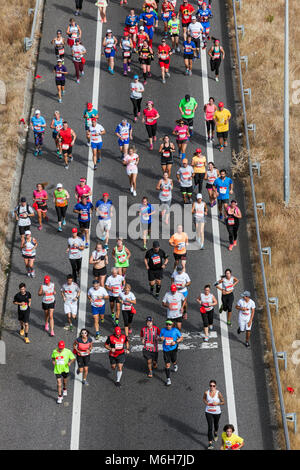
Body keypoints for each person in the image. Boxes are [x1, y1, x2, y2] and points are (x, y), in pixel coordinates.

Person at [160, 319, 183, 386]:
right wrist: (160, 339)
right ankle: (168, 379)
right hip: (166, 350)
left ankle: (175, 365)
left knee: (174, 360)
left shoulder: (175, 330)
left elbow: (181, 338)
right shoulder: (163, 330)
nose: (168, 325)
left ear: (172, 325)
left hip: (173, 349)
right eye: (167, 324)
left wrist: (175, 342)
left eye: (169, 324)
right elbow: (159, 338)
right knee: (167, 365)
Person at [203, 380, 225, 449]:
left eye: (213, 386)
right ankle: (210, 443)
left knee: (216, 424)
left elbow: (223, 402)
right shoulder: (206, 392)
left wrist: (217, 403)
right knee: (210, 427)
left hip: (217, 412)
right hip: (208, 411)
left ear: (216, 386)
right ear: (209, 386)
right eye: (210, 385)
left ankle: (215, 433)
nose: (212, 387)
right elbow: (203, 399)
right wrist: (206, 402)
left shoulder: (218, 393)